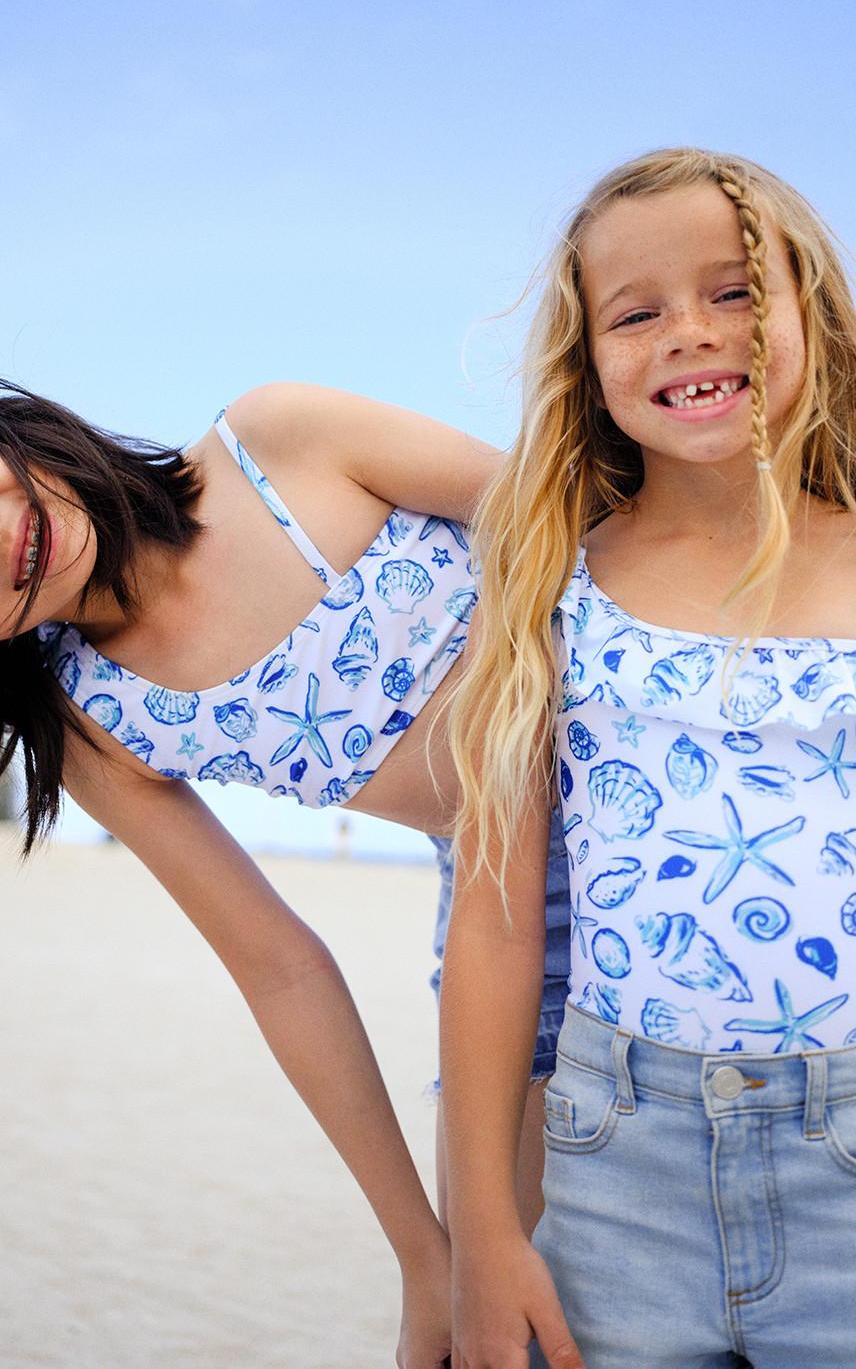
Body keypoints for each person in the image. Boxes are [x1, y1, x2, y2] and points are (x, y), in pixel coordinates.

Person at [0, 374, 569, 1369]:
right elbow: (281, 968)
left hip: (703, 805)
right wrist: (419, 1256)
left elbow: (576, 526)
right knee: (517, 1317)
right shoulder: (101, 718)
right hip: (515, 935)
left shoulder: (279, 442)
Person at [441, 148, 856, 1369]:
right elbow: (499, 915)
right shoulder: (553, 579)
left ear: (811, 313)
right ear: (588, 363)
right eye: (636, 312)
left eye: (732, 291)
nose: (687, 332)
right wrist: (481, 1236)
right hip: (617, 1156)